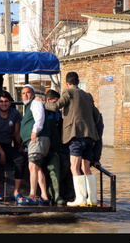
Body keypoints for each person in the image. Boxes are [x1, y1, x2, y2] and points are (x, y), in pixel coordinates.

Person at [43, 72, 100, 207]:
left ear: (67, 83)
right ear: (78, 81)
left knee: (74, 167)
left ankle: (80, 199)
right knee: (86, 168)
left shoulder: (68, 93)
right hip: (90, 137)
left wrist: (44, 103)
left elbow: (56, 106)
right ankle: (92, 199)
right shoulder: (87, 96)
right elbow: (96, 116)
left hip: (75, 136)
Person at [0, 91, 25, 202]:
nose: (4, 104)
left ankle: (16, 191)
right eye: (1, 101)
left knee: (20, 159)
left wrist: (21, 147)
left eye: (6, 101)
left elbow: (17, 134)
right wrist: (2, 153)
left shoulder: (15, 114)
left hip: (7, 145)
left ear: (10, 102)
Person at [19, 84, 50, 205]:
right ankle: (44, 195)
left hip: (37, 138)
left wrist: (34, 130)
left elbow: (40, 117)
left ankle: (32, 195)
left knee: (32, 167)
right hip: (35, 141)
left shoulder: (35, 103)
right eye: (23, 93)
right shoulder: (28, 106)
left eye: (28, 92)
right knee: (38, 168)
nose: (25, 95)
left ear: (33, 94)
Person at [44, 89, 70, 206]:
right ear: (48, 101)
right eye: (56, 102)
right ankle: (55, 194)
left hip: (58, 146)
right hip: (45, 148)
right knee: (54, 163)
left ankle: (61, 190)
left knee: (66, 163)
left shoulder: (58, 114)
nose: (58, 106)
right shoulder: (41, 112)